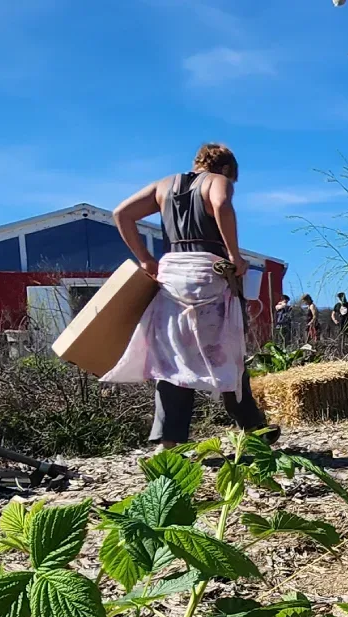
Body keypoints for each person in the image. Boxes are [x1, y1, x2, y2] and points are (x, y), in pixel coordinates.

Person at [107, 142, 269, 444]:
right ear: (225, 168)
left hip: (171, 276)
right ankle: (254, 430)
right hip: (208, 273)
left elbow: (122, 213)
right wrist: (234, 256)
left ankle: (168, 440)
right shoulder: (217, 181)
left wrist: (145, 258)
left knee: (173, 358)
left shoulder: (164, 185)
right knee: (227, 353)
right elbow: (221, 204)